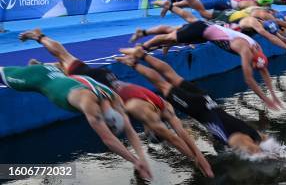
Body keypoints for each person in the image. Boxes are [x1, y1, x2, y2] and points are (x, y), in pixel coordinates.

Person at [19, 29, 214, 177]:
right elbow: (173, 138)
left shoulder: (164, 105)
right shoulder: (140, 112)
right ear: (152, 130)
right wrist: (196, 162)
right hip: (101, 85)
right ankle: (41, 47)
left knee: (67, 59)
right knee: (67, 63)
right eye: (150, 134)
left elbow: (180, 134)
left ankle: (43, 52)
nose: (145, 133)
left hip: (110, 78)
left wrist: (200, 157)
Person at [0, 62, 152, 179]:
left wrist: (142, 159)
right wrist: (135, 161)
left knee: (55, 72)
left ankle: (36, 64)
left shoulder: (114, 98)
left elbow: (130, 130)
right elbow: (108, 140)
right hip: (37, 77)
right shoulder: (90, 105)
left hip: (56, 71)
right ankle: (34, 66)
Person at [117, 48, 267, 155]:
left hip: (207, 100)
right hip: (196, 107)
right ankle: (134, 63)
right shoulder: (235, 140)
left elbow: (260, 145)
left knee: (172, 75)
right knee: (162, 84)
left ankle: (142, 54)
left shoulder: (254, 135)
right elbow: (252, 149)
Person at [129, 7, 282, 110]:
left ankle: (147, 37)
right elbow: (248, 80)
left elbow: (264, 72)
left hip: (210, 33)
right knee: (170, 36)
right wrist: (266, 99)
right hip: (203, 30)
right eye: (253, 65)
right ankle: (142, 45)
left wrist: (274, 95)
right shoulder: (245, 49)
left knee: (173, 35)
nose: (253, 66)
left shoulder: (257, 47)